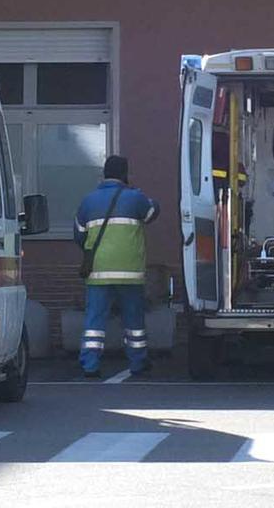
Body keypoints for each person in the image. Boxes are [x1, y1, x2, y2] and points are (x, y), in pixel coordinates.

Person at [74, 155, 159, 379]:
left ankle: (90, 365)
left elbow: (79, 236)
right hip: (130, 273)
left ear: (103, 174)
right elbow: (152, 213)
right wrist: (149, 199)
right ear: (125, 174)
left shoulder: (88, 201)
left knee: (94, 321)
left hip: (98, 271)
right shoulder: (136, 198)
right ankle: (138, 363)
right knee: (134, 322)